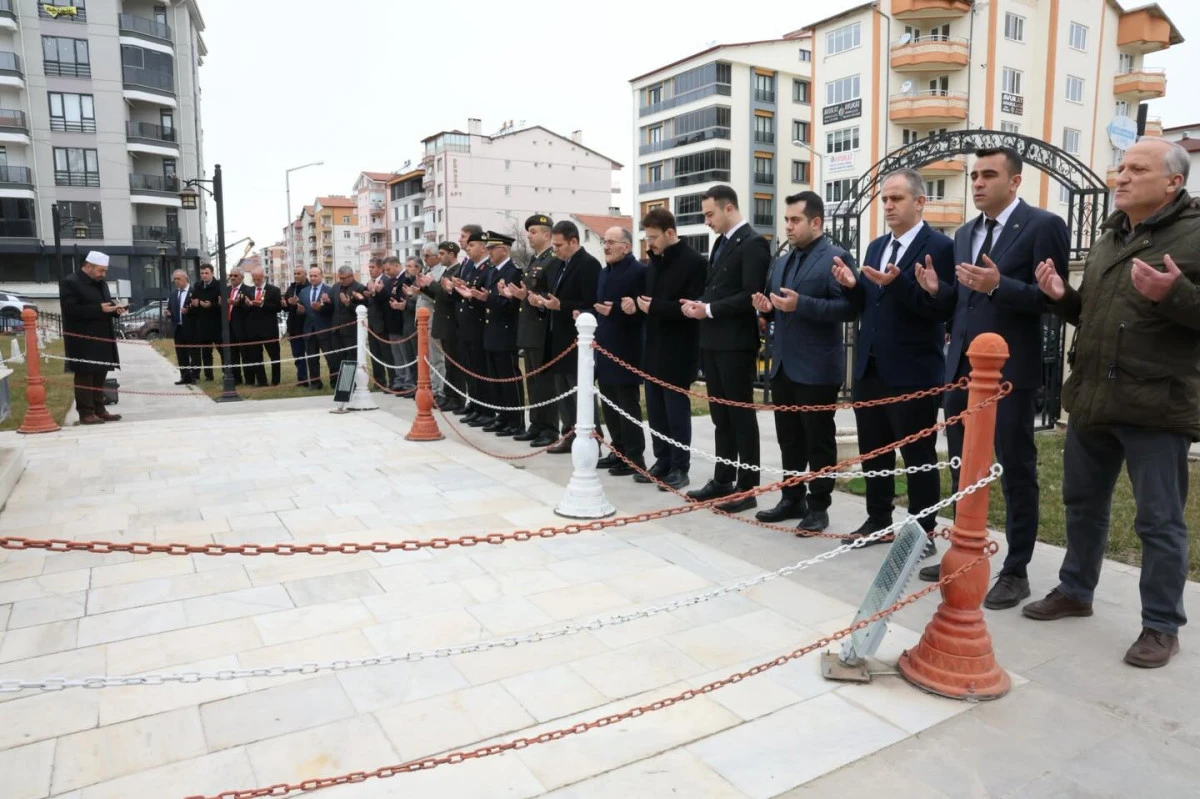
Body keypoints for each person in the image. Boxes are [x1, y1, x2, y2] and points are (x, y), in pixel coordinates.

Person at [1023, 139, 1197, 669]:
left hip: (1156, 406)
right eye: (1120, 168)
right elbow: (1096, 316)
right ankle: (1076, 590)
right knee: (1082, 504)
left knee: (1159, 521)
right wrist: (1062, 298)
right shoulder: (1108, 235)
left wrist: (1176, 294)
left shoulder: (1196, 234)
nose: (1120, 177)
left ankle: (1161, 626)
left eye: (1136, 169)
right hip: (1093, 397)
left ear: (1173, 182)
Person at [914, 147, 1070, 612]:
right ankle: (965, 549)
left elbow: (1053, 300)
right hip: (961, 370)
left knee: (1015, 468)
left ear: (1015, 181)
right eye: (974, 175)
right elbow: (961, 305)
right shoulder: (964, 234)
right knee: (962, 464)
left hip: (1009, 374)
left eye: (988, 175)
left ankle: (1016, 570)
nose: (978, 183)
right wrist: (937, 292)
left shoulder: (1044, 226)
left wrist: (1001, 285)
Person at [833, 170, 955, 549]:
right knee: (874, 451)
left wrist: (899, 283)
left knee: (917, 454)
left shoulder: (940, 247)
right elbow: (868, 306)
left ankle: (922, 531)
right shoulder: (875, 247)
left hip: (913, 371)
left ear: (920, 202)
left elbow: (940, 309)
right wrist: (852, 288)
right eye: (885, 199)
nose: (888, 205)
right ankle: (878, 519)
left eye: (896, 198)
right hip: (871, 367)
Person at [750, 192, 856, 533]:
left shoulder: (836, 258)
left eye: (795, 220)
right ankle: (791, 497)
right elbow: (779, 303)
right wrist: (765, 308)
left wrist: (803, 304)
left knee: (818, 441)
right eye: (786, 221)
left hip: (817, 368)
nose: (788, 226)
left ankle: (819, 506)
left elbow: (849, 309)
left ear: (816, 222)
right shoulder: (782, 261)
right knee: (789, 438)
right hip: (783, 364)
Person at [682, 185, 770, 512]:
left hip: (736, 344)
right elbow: (716, 289)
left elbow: (749, 296)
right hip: (713, 340)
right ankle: (723, 479)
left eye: (709, 214)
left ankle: (746, 488)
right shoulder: (720, 243)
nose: (707, 221)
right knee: (721, 416)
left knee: (740, 416)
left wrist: (709, 309)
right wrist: (699, 303)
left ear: (728, 208)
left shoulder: (753, 245)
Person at [636, 208, 706, 490]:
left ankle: (680, 465)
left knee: (675, 412)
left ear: (669, 233)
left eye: (653, 237)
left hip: (679, 349)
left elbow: (691, 306)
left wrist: (655, 307)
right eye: (646, 237)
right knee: (655, 410)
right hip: (653, 347)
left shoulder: (694, 262)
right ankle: (662, 460)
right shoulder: (655, 262)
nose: (649, 243)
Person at [531, 220, 603, 452]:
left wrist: (560, 305)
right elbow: (549, 295)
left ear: (574, 241)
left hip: (577, 340)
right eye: (553, 245)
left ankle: (592, 438)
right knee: (563, 391)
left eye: (559, 245)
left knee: (580, 391)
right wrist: (540, 302)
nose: (555, 250)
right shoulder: (557, 264)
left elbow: (590, 302)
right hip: (557, 338)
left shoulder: (588, 265)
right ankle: (569, 435)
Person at [594, 227, 647, 476]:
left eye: (611, 242)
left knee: (627, 405)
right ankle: (618, 450)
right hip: (604, 346)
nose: (606, 246)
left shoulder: (638, 272)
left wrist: (620, 309)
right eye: (605, 241)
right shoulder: (605, 272)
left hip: (626, 349)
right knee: (609, 404)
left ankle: (634, 458)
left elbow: (640, 311)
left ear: (626, 246)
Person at [60, 250, 125, 425]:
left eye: (105, 271)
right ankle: (86, 412)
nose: (103, 274)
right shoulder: (70, 283)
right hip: (82, 338)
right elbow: (70, 309)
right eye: (100, 270)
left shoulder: (101, 284)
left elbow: (105, 305)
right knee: (85, 375)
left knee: (100, 374)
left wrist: (115, 310)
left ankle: (99, 409)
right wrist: (99, 309)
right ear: (87, 266)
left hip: (102, 337)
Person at [512, 214, 560, 446]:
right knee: (532, 381)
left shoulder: (552, 259)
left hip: (542, 330)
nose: (529, 236)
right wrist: (521, 295)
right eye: (528, 231)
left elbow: (551, 293)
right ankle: (537, 424)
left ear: (547, 234)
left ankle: (549, 429)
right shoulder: (535, 259)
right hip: (529, 329)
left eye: (533, 232)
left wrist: (534, 298)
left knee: (544, 382)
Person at [482, 231, 525, 436]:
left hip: (506, 332)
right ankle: (503, 416)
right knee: (495, 378)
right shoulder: (492, 271)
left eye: (492, 248)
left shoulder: (513, 272)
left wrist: (487, 299)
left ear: (504, 249)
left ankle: (515, 420)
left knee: (509, 378)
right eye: (488, 248)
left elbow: (510, 305)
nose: (488, 252)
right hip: (492, 331)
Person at [455, 228, 495, 428]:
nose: (468, 249)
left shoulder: (487, 268)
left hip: (479, 327)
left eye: (472, 245)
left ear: (482, 246)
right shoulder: (473, 267)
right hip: (467, 327)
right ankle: (477, 406)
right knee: (471, 370)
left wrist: (472, 296)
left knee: (481, 371)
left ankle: (486, 410)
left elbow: (484, 298)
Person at [431, 242, 464, 410]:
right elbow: (440, 296)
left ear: (452, 254)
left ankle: (456, 399)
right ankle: (449, 395)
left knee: (454, 365)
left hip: (452, 323)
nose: (440, 257)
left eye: (442, 253)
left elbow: (449, 296)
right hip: (444, 322)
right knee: (449, 364)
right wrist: (424, 287)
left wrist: (431, 285)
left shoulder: (458, 271)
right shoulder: (447, 271)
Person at [412, 243, 447, 403]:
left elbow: (438, 296)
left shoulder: (441, 271)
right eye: (423, 255)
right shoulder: (427, 270)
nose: (424, 259)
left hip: (433, 316)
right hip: (422, 318)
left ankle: (438, 390)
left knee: (436, 356)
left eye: (426, 256)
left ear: (436, 256)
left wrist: (424, 289)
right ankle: (428, 386)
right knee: (424, 355)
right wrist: (417, 292)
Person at [242, 266, 282, 387]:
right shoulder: (248, 291)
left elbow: (278, 308)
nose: (256, 281)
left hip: (269, 330)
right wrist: (248, 305)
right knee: (255, 356)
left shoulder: (274, 290)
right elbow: (243, 310)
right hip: (253, 330)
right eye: (254, 279)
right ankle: (261, 380)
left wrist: (262, 304)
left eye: (258, 279)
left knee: (274, 355)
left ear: (263, 277)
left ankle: (275, 381)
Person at [329, 265, 367, 382]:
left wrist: (348, 304)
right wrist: (326, 303)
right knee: (338, 356)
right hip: (336, 329)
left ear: (351, 276)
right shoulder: (335, 287)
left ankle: (349, 382)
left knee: (351, 357)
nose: (341, 281)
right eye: (340, 278)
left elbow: (363, 308)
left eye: (344, 278)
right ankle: (340, 382)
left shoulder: (360, 288)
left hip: (351, 330)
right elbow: (332, 307)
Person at [299, 265, 333, 389]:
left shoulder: (329, 290)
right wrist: (300, 311)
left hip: (324, 329)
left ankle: (334, 381)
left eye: (315, 276)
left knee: (330, 358)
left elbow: (332, 310)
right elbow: (302, 310)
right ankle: (315, 383)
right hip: (309, 330)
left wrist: (322, 308)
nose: (312, 278)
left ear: (321, 276)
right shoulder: (304, 292)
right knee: (312, 359)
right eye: (311, 276)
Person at [166, 269, 199, 385]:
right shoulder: (174, 293)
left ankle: (194, 376)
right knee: (181, 354)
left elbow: (198, 310)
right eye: (175, 279)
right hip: (178, 328)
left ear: (186, 278)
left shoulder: (194, 291)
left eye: (178, 279)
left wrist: (189, 310)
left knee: (193, 353)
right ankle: (184, 376)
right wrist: (168, 313)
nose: (176, 281)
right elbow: (170, 308)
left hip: (190, 328)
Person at [190, 263, 221, 381]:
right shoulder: (197, 286)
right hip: (202, 324)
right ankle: (209, 376)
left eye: (206, 273)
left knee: (222, 351)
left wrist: (211, 305)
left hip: (216, 324)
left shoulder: (218, 285)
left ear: (212, 273)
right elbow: (193, 300)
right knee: (206, 352)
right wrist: (195, 304)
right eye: (202, 273)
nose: (204, 276)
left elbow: (221, 304)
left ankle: (226, 373)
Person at [364, 258, 391, 387]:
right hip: (372, 324)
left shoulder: (386, 280)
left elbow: (385, 298)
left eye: (373, 267)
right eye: (369, 267)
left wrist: (375, 292)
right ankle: (379, 381)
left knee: (386, 354)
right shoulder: (370, 282)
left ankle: (393, 381)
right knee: (375, 354)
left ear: (381, 268)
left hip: (383, 323)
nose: (370, 270)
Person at [282, 266, 310, 387]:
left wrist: (299, 302)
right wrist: (284, 304)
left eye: (299, 273)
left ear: (305, 274)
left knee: (312, 355)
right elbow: (288, 308)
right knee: (298, 356)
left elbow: (311, 304)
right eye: (294, 273)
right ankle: (302, 380)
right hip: (294, 328)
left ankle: (315, 380)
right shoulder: (291, 287)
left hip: (307, 326)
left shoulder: (309, 287)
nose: (296, 275)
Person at [224, 267, 247, 384]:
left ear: (242, 277)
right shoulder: (226, 290)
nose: (232, 278)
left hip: (242, 327)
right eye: (231, 275)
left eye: (235, 276)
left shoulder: (246, 290)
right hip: (229, 326)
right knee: (232, 354)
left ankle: (249, 378)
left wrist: (238, 303)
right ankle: (236, 378)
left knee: (245, 353)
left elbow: (248, 307)